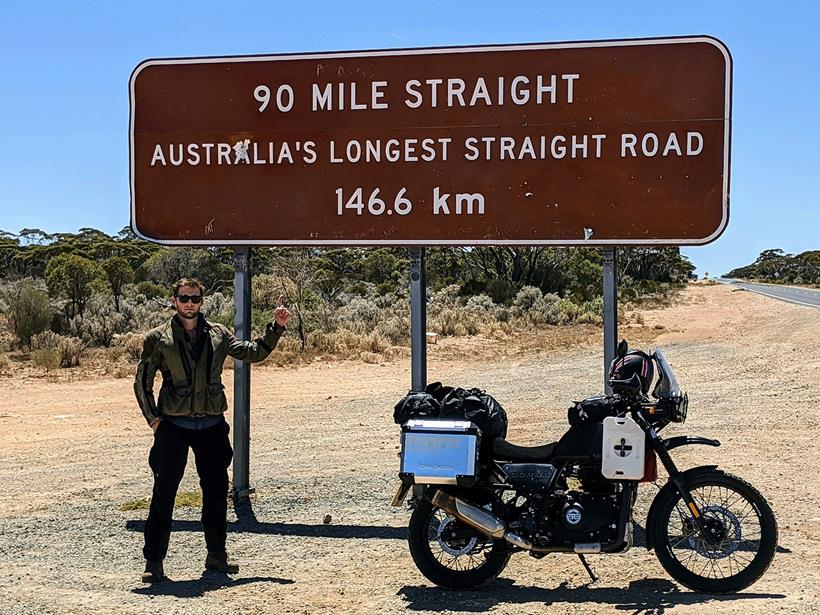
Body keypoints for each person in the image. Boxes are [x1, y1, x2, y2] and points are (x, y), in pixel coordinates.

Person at [133, 277, 290, 583]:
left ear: (202, 302)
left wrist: (276, 327)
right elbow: (142, 381)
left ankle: (217, 556)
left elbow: (253, 351)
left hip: (211, 424)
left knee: (217, 493)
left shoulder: (219, 334)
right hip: (173, 426)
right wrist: (153, 419)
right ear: (173, 300)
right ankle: (154, 562)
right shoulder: (157, 337)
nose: (189, 303)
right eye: (184, 298)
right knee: (164, 494)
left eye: (194, 298)